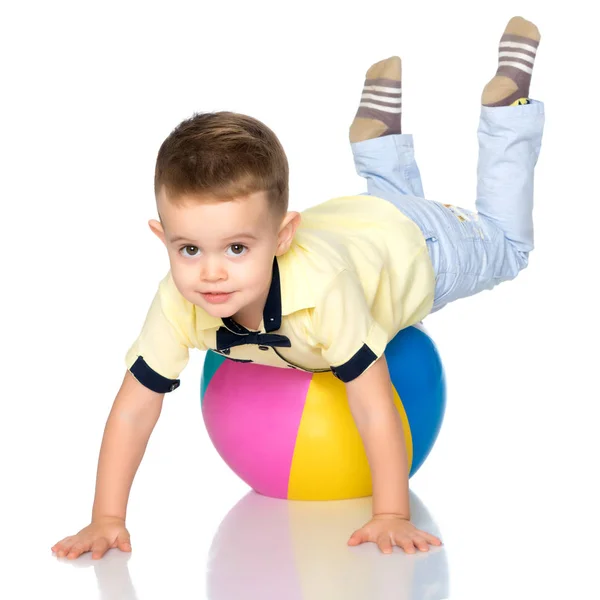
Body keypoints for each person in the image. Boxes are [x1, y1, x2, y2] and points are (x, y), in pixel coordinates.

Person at [51, 16, 544, 559]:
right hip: (360, 225)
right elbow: (133, 408)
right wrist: (106, 518)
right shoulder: (178, 299)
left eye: (237, 248)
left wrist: (390, 512)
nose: (211, 273)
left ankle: (508, 108)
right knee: (384, 216)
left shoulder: (322, 291)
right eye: (189, 249)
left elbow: (375, 400)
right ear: (161, 237)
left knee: (509, 248)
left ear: (283, 236)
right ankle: (378, 143)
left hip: (416, 245)